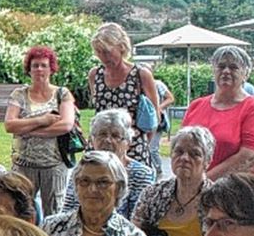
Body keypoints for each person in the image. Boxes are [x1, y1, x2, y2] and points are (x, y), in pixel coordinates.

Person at [132, 126, 215, 236]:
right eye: (179, 151)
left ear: (207, 161)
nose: (184, 158)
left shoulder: (216, 201)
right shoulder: (153, 193)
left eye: (194, 154)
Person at [5, 45, 76, 215]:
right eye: (35, 65)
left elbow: (66, 125)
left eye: (43, 65)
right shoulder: (19, 94)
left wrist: (28, 130)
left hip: (53, 165)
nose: (39, 69)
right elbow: (10, 125)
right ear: (29, 70)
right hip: (23, 164)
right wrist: (42, 120)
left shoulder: (62, 94)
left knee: (54, 212)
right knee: (21, 210)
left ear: (51, 69)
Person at [182, 46, 254, 179]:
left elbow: (251, 156)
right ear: (214, 71)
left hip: (235, 189)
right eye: (221, 66)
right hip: (192, 186)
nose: (226, 71)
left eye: (234, 67)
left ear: (245, 74)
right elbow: (182, 146)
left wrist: (204, 182)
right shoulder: (196, 105)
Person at [62, 108, 154, 219]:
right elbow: (68, 210)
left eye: (115, 136)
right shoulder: (82, 169)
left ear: (128, 143)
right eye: (102, 134)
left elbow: (138, 219)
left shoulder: (141, 173)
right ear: (92, 140)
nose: (108, 140)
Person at [88, 22, 160, 165]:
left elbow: (154, 118)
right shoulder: (95, 75)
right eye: (99, 52)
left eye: (107, 52)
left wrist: (137, 141)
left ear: (121, 47)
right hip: (100, 148)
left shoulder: (141, 75)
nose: (104, 57)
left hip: (132, 149)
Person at [149, 73, 175, 176]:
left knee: (152, 148)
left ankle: (158, 170)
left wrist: (158, 108)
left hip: (157, 120)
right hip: (143, 121)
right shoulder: (137, 84)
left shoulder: (157, 84)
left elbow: (170, 98)